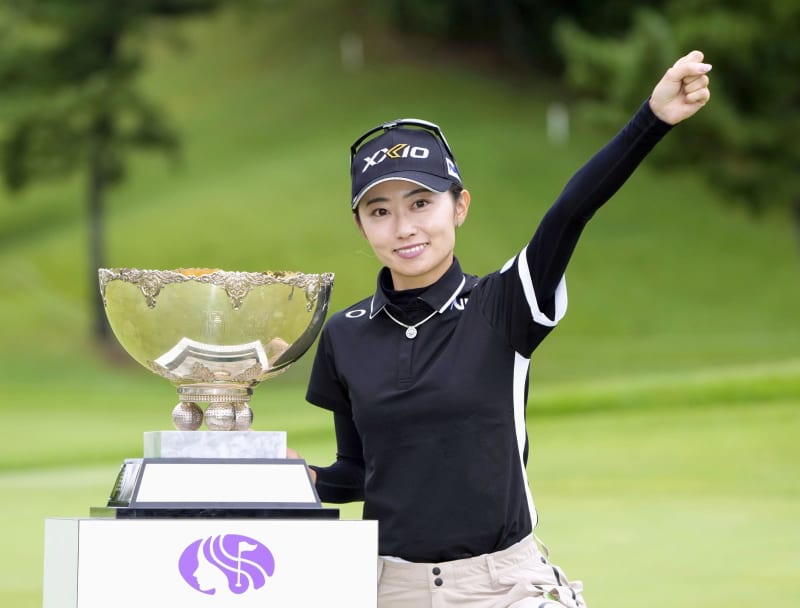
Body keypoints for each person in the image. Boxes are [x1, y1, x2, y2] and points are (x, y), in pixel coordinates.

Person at [296, 50, 711, 607]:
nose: (404, 228)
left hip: (504, 587)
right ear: (360, 223)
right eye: (380, 211)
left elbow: (570, 211)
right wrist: (301, 481)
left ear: (459, 206)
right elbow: (361, 472)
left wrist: (652, 119)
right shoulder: (345, 335)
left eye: (422, 202)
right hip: (390, 590)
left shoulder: (505, 303)